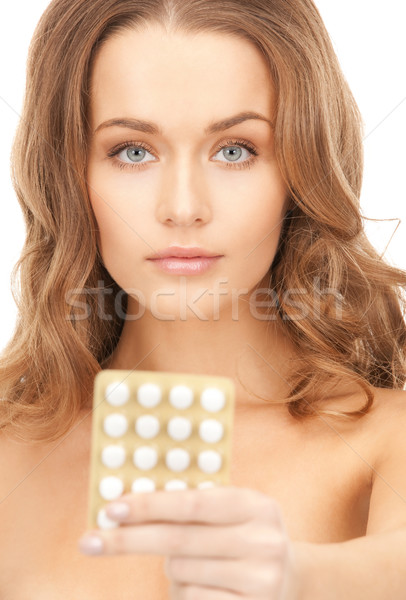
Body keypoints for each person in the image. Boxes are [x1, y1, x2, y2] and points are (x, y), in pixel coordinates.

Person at [1, 0, 406, 597]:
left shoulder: (387, 439)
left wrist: (301, 578)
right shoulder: (12, 449)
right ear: (68, 175)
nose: (184, 206)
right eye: (132, 151)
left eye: (235, 150)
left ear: (299, 169)